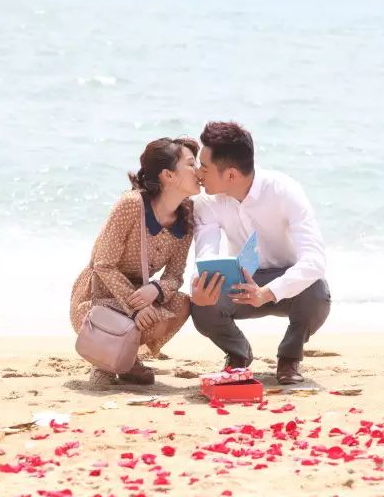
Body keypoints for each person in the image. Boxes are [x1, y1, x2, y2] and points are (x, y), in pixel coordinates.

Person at [191, 122, 330, 384]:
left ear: (231, 175)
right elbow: (205, 257)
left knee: (318, 292)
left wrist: (267, 293)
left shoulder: (284, 190)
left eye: (205, 168)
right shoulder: (206, 203)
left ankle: (289, 357)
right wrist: (199, 286)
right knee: (200, 304)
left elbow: (315, 260)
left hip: (286, 284)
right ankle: (238, 353)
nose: (198, 174)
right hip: (241, 284)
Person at [70, 136, 199, 388]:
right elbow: (103, 264)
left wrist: (156, 289)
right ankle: (105, 363)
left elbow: (174, 275)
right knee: (140, 314)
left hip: (143, 293)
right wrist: (135, 306)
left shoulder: (186, 216)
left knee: (182, 304)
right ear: (168, 175)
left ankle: (126, 358)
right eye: (191, 164)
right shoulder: (131, 205)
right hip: (100, 294)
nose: (199, 171)